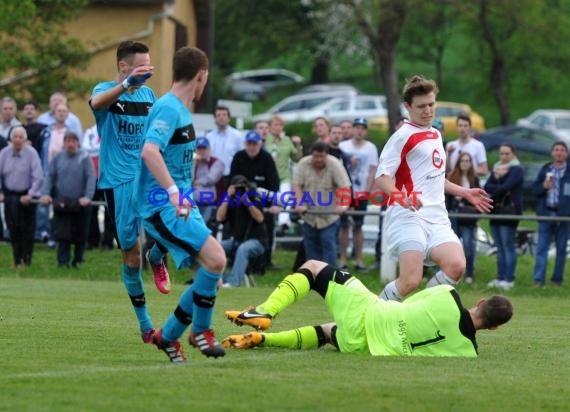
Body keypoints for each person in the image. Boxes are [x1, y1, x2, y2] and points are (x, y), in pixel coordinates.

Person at [135, 46, 227, 362]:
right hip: (161, 205)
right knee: (216, 260)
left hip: (181, 203)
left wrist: (182, 195)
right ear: (201, 75)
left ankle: (168, 336)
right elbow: (149, 152)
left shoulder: (180, 110)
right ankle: (200, 331)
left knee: (209, 278)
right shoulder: (169, 109)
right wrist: (174, 192)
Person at [223, 259, 513, 357]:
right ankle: (263, 339)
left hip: (370, 313)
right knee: (327, 333)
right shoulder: (468, 353)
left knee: (313, 269)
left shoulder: (448, 294)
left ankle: (265, 312)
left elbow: (408, 304)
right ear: (495, 327)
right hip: (365, 347)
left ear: (481, 302)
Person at [375, 75, 492, 302]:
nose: (428, 110)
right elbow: (382, 177)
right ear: (408, 107)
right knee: (410, 280)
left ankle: (417, 315)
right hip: (407, 215)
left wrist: (465, 192)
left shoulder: (436, 134)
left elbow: (437, 179)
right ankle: (371, 316)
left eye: (431, 104)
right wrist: (403, 198)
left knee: (456, 265)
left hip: (436, 217)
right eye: (421, 106)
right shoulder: (403, 135)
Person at [90, 40, 170, 345]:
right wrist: (126, 85)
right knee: (130, 255)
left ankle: (159, 255)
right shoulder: (106, 90)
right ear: (124, 67)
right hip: (118, 182)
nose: (148, 70)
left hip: (147, 179)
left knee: (174, 220)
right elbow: (96, 105)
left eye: (150, 65)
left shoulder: (150, 96)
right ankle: (146, 324)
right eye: (141, 65)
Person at [40, 131, 95, 267]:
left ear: (77, 142)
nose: (70, 144)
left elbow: (90, 178)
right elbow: (50, 177)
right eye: (68, 141)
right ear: (64, 143)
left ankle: (78, 261)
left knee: (80, 235)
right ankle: (62, 263)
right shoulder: (58, 157)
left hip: (80, 203)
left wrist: (87, 197)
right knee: (63, 235)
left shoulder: (84, 157)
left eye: (73, 141)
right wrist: (45, 194)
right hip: (62, 203)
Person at [230, 130, 281, 271]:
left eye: (254, 144)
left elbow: (274, 182)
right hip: (241, 202)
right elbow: (232, 180)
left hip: (262, 200)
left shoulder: (267, 158)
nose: (252, 147)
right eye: (249, 144)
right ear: (245, 144)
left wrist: (273, 203)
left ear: (260, 144)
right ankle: (234, 259)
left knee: (266, 228)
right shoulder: (238, 157)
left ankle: (264, 262)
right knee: (236, 227)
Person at [293, 142, 351, 266]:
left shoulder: (335, 164)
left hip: (329, 217)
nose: (319, 159)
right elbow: (297, 185)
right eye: (316, 156)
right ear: (311, 155)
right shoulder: (303, 164)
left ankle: (329, 279)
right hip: (309, 216)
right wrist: (299, 203)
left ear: (327, 155)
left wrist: (343, 206)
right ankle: (313, 279)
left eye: (322, 156)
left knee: (328, 246)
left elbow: (345, 186)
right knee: (310, 250)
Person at [339, 117, 379, 270]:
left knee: (358, 225)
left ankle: (359, 260)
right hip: (344, 192)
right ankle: (342, 259)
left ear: (365, 131)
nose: (359, 130)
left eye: (363, 128)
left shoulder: (370, 148)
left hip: (361, 192)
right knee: (343, 226)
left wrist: (366, 192)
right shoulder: (343, 146)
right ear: (352, 129)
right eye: (357, 127)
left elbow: (372, 171)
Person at [0, 126, 43, 266]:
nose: (17, 140)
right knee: (13, 229)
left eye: (20, 137)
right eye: (15, 137)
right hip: (9, 195)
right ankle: (16, 259)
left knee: (27, 230)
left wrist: (30, 194)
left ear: (25, 140)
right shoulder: (4, 153)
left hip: (27, 197)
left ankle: (26, 260)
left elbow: (38, 177)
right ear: (11, 139)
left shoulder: (32, 153)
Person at [484, 144, 524, 290]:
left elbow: (506, 187)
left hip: (509, 212)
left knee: (508, 246)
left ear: (514, 154)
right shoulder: (496, 168)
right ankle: (500, 278)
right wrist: (496, 188)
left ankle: (509, 279)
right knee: (499, 247)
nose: (504, 156)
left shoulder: (517, 169)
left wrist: (495, 189)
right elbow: (487, 186)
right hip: (495, 211)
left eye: (507, 153)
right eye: (501, 153)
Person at [217, 175, 268, 288]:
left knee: (243, 249)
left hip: (258, 241)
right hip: (237, 240)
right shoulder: (230, 201)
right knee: (216, 247)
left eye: (242, 187)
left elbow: (260, 218)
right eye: (237, 187)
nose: (239, 190)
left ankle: (233, 283)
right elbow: (219, 218)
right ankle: (219, 279)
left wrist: (247, 202)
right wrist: (227, 196)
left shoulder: (254, 198)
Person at [532, 141, 569, 287]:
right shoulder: (545, 169)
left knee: (561, 250)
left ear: (566, 153)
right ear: (552, 153)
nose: (559, 152)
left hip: (564, 216)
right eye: (556, 150)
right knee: (541, 249)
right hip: (546, 213)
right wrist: (543, 187)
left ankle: (556, 281)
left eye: (562, 150)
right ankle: (538, 280)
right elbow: (535, 191)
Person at [264, 115, 303, 235]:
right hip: (269, 177)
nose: (278, 128)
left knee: (285, 198)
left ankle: (284, 223)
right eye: (275, 125)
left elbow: (297, 158)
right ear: (269, 127)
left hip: (284, 175)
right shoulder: (264, 140)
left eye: (280, 125)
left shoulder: (286, 140)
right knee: (269, 201)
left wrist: (298, 145)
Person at [446, 152, 480, 284]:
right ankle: (450, 274)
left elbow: (478, 197)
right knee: (452, 246)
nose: (465, 163)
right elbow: (446, 196)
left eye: (467, 161)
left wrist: (465, 199)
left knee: (468, 245)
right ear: (458, 163)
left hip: (468, 216)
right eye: (462, 161)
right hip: (454, 214)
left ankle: (469, 273)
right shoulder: (451, 177)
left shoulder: (474, 179)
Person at [206, 106, 244, 188]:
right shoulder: (209, 137)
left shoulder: (237, 135)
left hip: (230, 176)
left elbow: (242, 156)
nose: (221, 117)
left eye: (224, 115)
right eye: (218, 115)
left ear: (229, 118)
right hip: (212, 177)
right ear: (215, 119)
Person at [193, 136, 224, 225]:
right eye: (199, 148)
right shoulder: (193, 162)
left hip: (210, 203)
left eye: (204, 148)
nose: (201, 151)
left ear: (209, 149)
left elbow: (211, 179)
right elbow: (189, 179)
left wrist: (197, 181)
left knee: (203, 226)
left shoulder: (217, 162)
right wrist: (195, 162)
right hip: (194, 203)